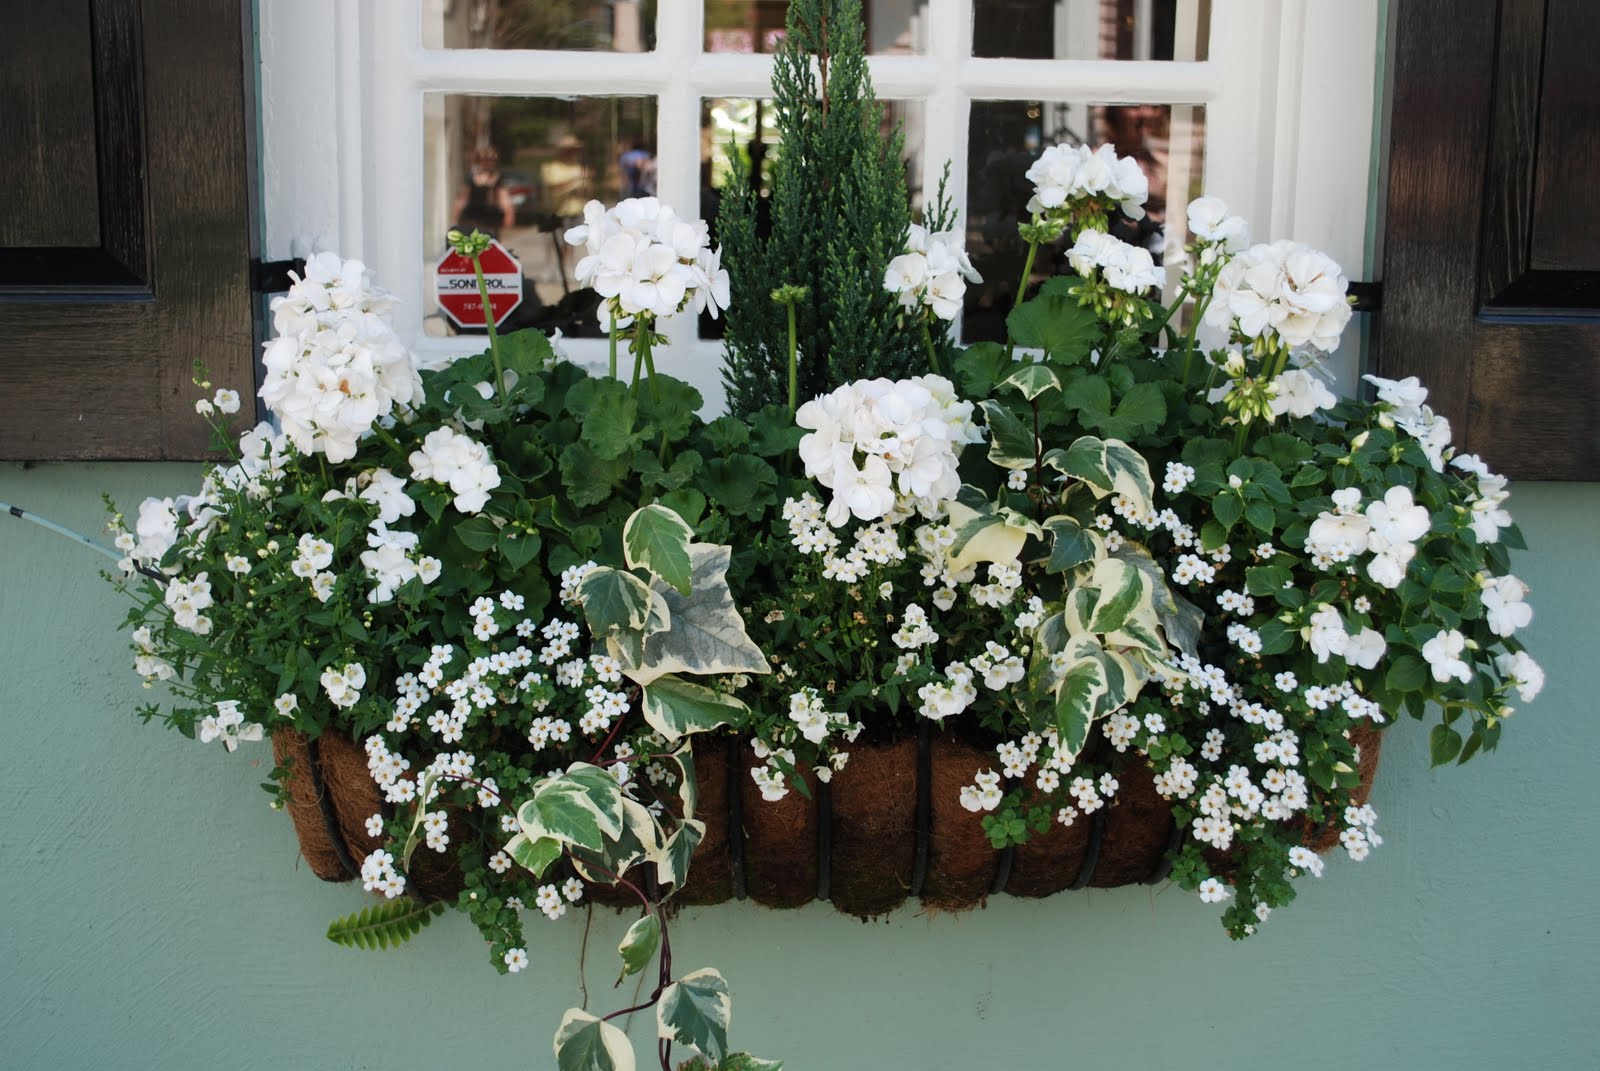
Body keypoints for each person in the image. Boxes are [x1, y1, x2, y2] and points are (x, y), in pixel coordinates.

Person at [453, 146, 515, 239]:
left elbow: (504, 199)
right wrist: (455, 219)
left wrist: (509, 214)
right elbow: (462, 200)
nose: (489, 163)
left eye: (492, 160)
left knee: (490, 246)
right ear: (479, 162)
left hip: (491, 220)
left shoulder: (499, 179)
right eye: (485, 160)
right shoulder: (471, 179)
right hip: (471, 218)